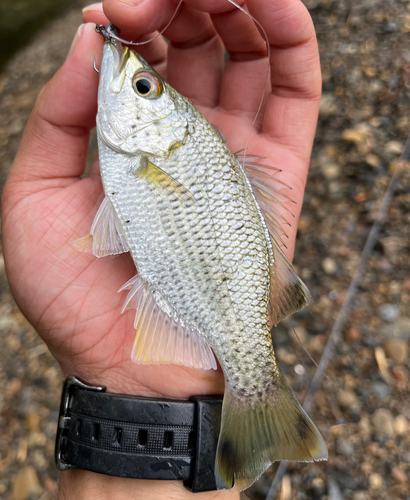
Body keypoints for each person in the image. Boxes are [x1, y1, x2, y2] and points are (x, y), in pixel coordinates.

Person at [1, 0, 321, 498]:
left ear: (161, 132)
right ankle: (255, 409)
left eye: (143, 87)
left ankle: (257, 394)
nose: (133, 80)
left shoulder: (154, 151)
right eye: (144, 86)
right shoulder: (147, 153)